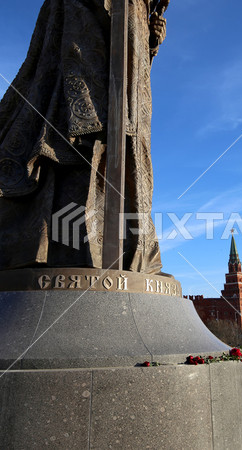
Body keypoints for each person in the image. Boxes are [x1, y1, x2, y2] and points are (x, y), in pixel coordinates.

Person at [0, 0, 167, 273]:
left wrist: (150, 40)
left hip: (129, 108)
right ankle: (57, 251)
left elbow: (131, 57)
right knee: (72, 155)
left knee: (124, 169)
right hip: (80, 78)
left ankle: (125, 254)